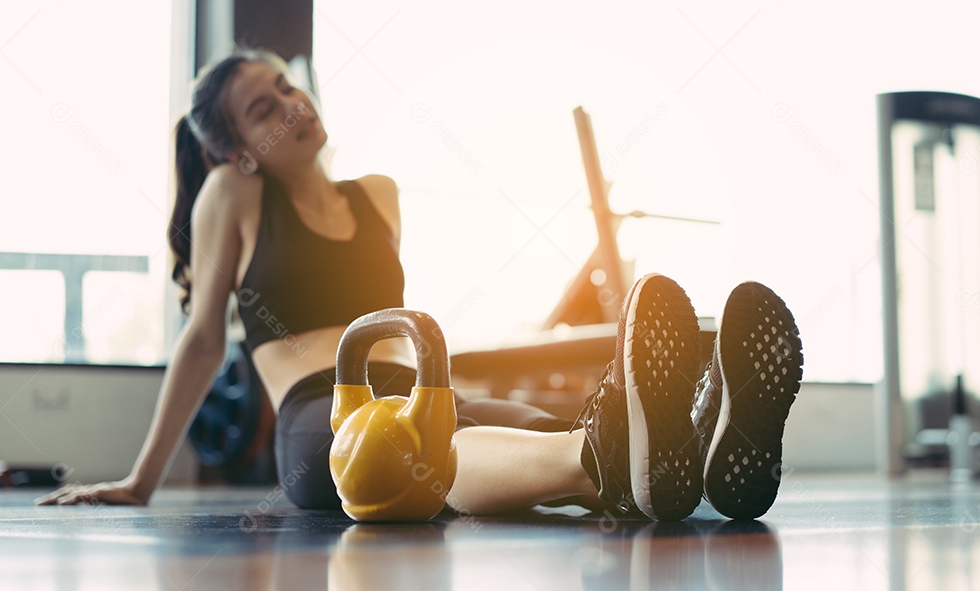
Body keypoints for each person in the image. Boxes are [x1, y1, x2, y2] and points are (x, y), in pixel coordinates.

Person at [36, 49, 803, 521]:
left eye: (286, 88)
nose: (289, 108)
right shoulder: (235, 198)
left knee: (539, 431)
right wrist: (141, 482)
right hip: (324, 420)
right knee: (441, 452)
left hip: (430, 391)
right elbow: (203, 341)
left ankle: (700, 460)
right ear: (239, 151)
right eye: (262, 110)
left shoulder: (380, 196)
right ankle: (611, 459)